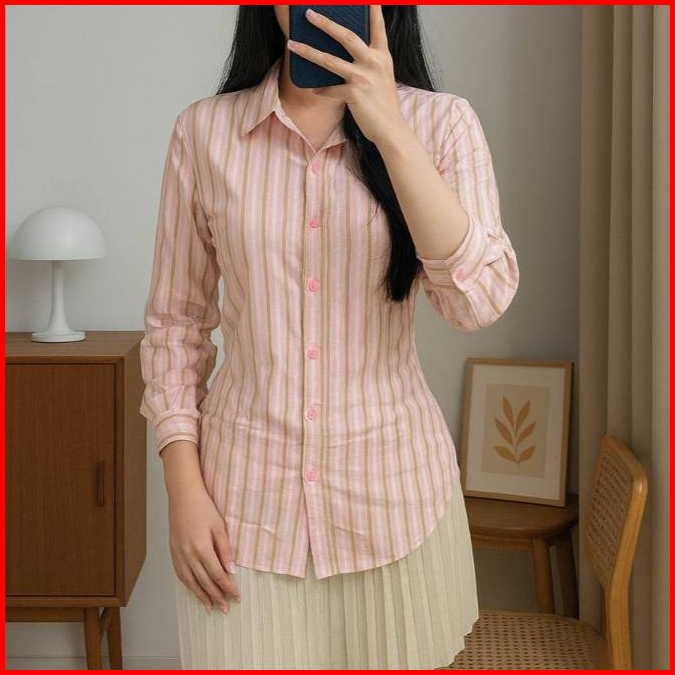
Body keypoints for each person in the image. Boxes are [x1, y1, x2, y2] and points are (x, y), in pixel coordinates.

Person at [139, 4, 519, 670]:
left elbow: (477, 301)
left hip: (395, 501)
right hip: (242, 513)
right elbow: (176, 324)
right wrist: (182, 490)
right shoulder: (204, 133)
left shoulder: (440, 123)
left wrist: (390, 130)